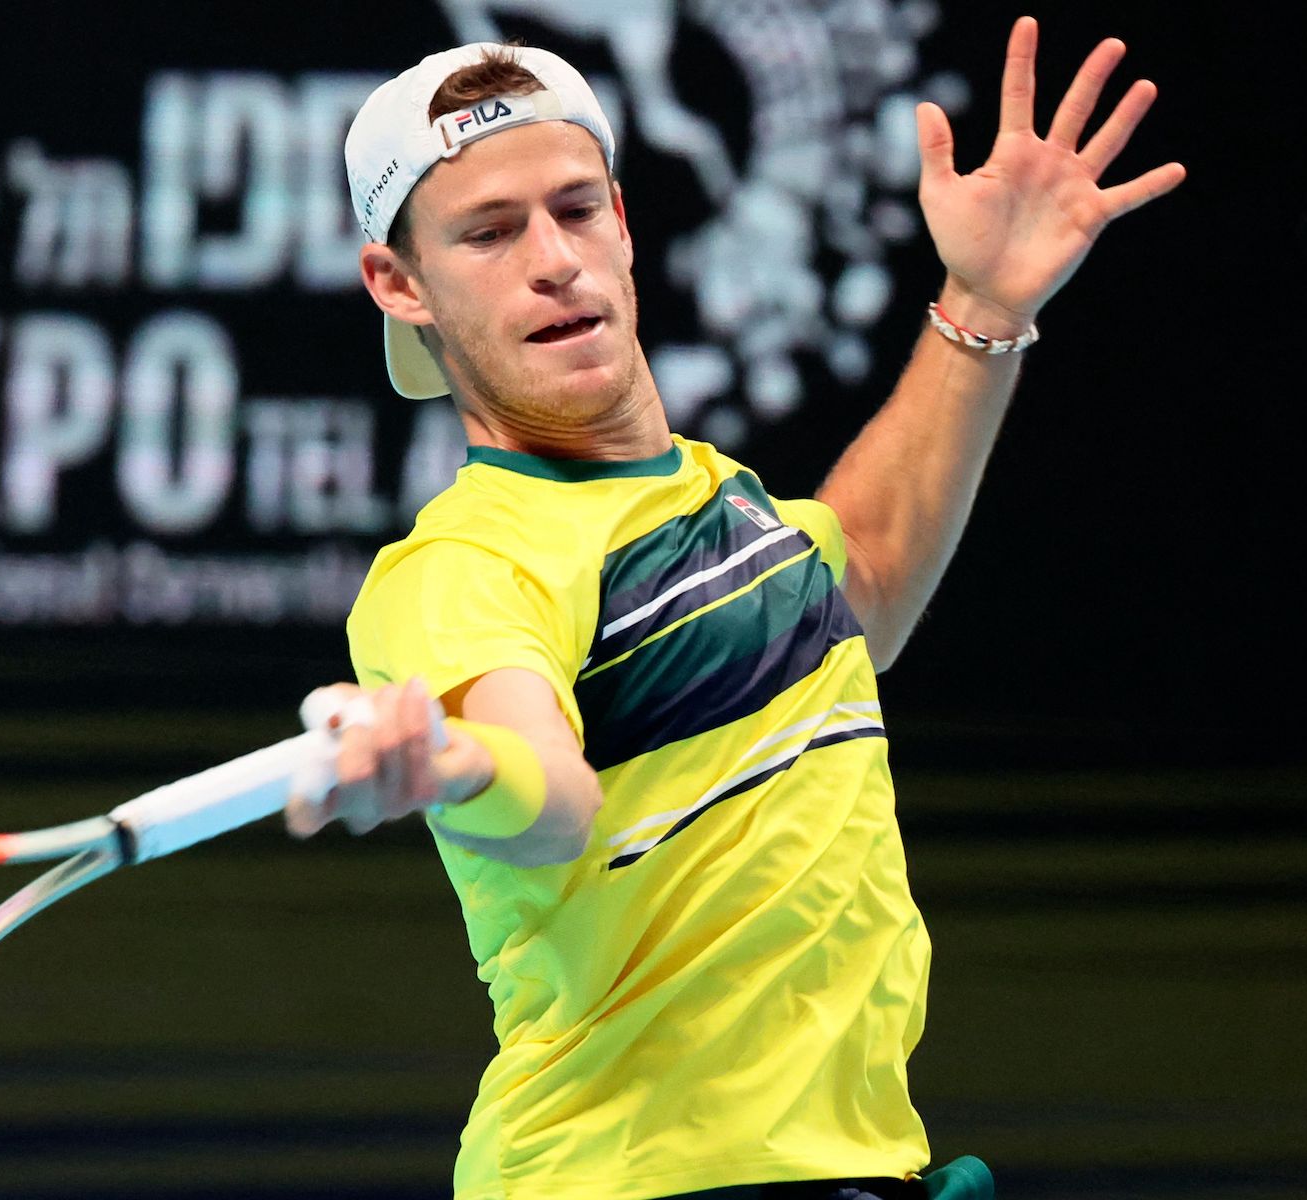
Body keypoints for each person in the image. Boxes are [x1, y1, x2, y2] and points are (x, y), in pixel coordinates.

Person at [281, 18, 1182, 1200]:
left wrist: (981, 301)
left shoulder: (722, 504)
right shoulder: (464, 563)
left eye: (576, 208)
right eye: (490, 234)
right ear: (401, 284)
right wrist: (451, 763)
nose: (553, 258)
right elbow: (551, 795)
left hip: (851, 1168)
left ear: (624, 221)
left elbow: (862, 568)